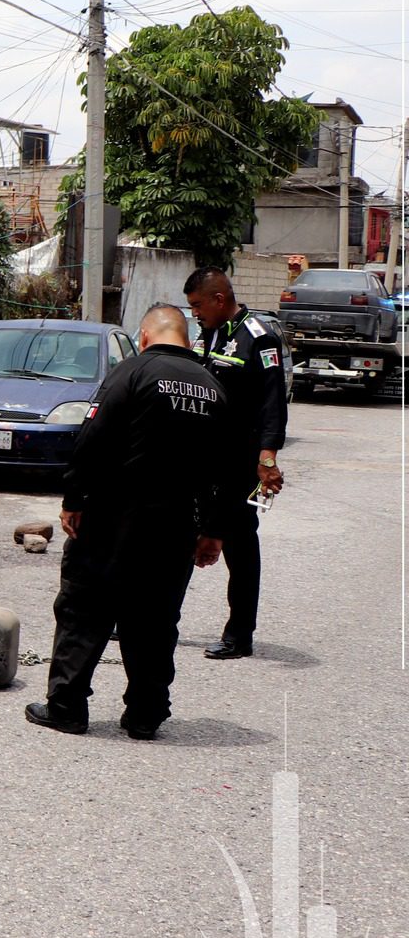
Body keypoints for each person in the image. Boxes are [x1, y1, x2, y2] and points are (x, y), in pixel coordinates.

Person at [25, 305, 240, 741]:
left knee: (84, 610)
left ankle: (66, 706)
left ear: (145, 336)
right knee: (156, 619)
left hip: (114, 519)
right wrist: (214, 531)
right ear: (188, 338)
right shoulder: (216, 387)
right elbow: (230, 470)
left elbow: (93, 438)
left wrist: (73, 498)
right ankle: (146, 714)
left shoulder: (132, 372)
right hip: (176, 525)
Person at [183, 266, 288, 660]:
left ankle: (239, 634)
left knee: (240, 548)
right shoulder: (207, 333)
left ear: (219, 300)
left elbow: (272, 403)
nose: (194, 312)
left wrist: (267, 457)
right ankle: (149, 620)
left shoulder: (260, 338)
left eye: (198, 305)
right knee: (180, 536)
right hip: (202, 459)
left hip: (239, 463)